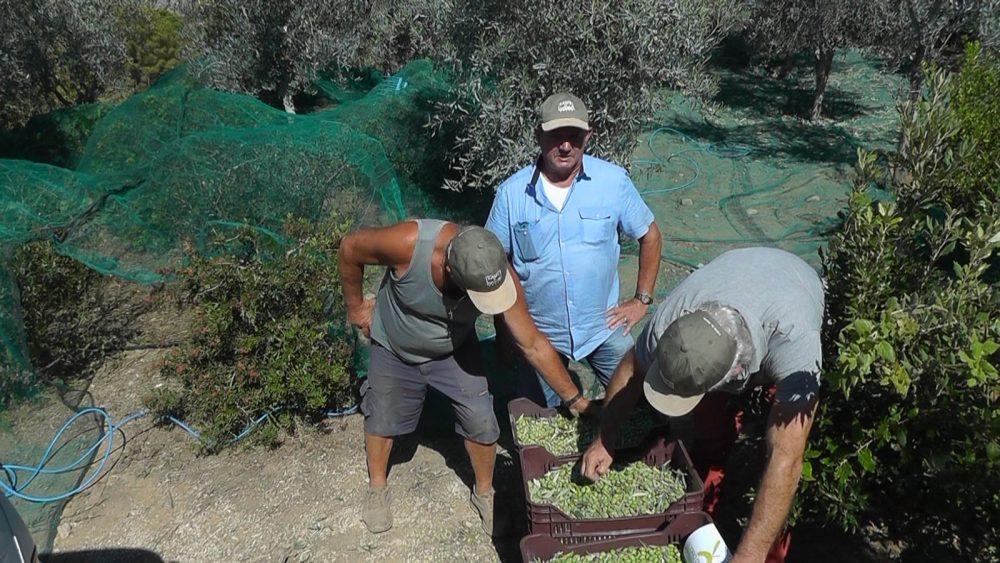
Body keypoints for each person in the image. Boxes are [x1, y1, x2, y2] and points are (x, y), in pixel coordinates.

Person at [338, 219, 593, 536]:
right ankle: (377, 486)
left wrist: (576, 399)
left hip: (453, 349)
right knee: (383, 414)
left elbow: (533, 344)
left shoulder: (496, 271)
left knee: (481, 419)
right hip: (395, 344)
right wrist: (356, 308)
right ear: (449, 270)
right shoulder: (407, 244)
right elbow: (350, 248)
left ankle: (485, 493)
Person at [580, 247, 824, 563]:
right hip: (740, 274)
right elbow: (631, 370)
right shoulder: (672, 323)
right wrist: (605, 439)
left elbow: (787, 456)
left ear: (734, 373)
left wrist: (750, 555)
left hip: (790, 288)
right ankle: (705, 504)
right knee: (710, 432)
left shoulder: (795, 344)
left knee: (776, 457)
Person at [486, 92, 662, 411]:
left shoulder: (613, 182)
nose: (566, 146)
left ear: (588, 136)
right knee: (537, 418)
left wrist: (642, 300)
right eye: (556, 136)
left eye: (574, 136)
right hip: (539, 333)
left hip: (602, 327)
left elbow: (650, 234)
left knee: (641, 403)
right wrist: (505, 332)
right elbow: (496, 267)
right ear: (538, 135)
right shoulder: (512, 194)